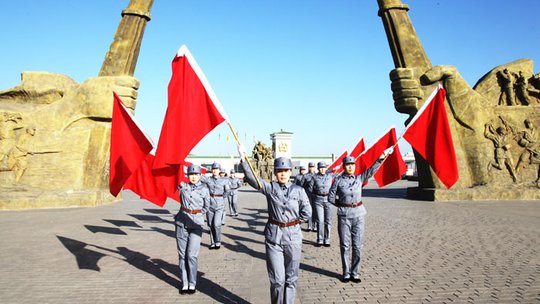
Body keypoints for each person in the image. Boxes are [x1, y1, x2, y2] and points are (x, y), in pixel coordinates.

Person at [238, 145, 312, 304]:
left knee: (291, 279)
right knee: (277, 280)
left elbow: (307, 212)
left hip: (293, 237)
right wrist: (244, 159)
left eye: (285, 171)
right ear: (275, 173)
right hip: (274, 238)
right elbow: (254, 180)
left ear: (290, 172)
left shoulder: (299, 190)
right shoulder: (271, 188)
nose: (283, 174)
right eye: (279, 171)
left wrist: (294, 222)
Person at [328, 154, 385, 283]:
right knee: (345, 245)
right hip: (344, 216)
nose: (350, 167)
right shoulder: (338, 181)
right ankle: (346, 273)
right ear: (344, 167)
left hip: (359, 214)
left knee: (358, 245)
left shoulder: (360, 178)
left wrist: (380, 158)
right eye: (348, 165)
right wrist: (342, 205)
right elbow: (330, 197)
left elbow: (371, 171)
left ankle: (355, 273)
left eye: (352, 165)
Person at [175, 164, 209, 294]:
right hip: (181, 222)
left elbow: (207, 206)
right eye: (191, 174)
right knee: (182, 255)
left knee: (192, 255)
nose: (193, 177)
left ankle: (192, 283)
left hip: (196, 224)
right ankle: (184, 283)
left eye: (196, 174)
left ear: (200, 175)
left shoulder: (205, 189)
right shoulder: (183, 186)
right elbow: (171, 179)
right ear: (187, 175)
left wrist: (197, 215)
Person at [201, 162, 230, 249]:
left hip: (219, 204)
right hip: (209, 204)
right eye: (213, 169)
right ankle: (213, 242)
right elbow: (198, 178)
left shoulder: (224, 180)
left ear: (219, 170)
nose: (215, 171)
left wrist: (221, 198)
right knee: (210, 224)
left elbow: (227, 191)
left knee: (216, 224)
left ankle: (218, 241)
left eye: (216, 169)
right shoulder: (208, 179)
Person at [307, 161, 335, 247]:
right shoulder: (314, 178)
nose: (323, 169)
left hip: (328, 200)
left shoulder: (330, 176)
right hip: (318, 201)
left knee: (328, 221)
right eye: (321, 168)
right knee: (320, 220)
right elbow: (310, 189)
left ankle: (327, 239)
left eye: (324, 168)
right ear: (318, 169)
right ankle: (319, 239)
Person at [302, 162, 317, 232]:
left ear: (315, 168)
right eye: (310, 167)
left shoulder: (317, 175)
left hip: (316, 195)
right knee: (309, 210)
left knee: (315, 211)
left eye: (313, 167)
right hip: (308, 195)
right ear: (308, 168)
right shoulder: (305, 176)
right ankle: (309, 226)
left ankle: (315, 226)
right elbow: (301, 186)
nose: (311, 168)